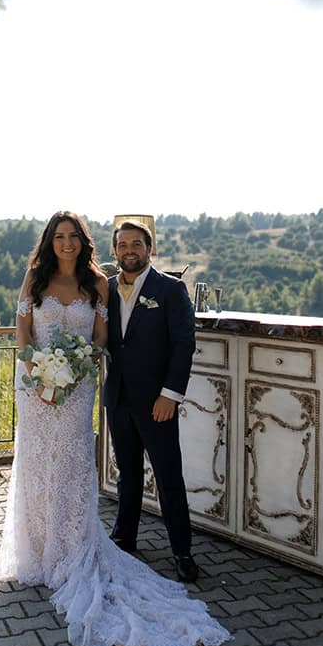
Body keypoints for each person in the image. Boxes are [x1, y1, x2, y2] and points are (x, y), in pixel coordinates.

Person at [0, 210, 231, 646]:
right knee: (48, 468)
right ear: (50, 241)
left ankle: (175, 553)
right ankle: (54, 549)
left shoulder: (112, 285)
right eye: (59, 236)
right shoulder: (41, 276)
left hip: (89, 389)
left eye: (135, 245)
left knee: (95, 468)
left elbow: (118, 340)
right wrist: (42, 372)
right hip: (47, 390)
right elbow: (23, 332)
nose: (66, 243)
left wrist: (77, 369)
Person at [103, 219, 198, 583]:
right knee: (127, 472)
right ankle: (124, 535)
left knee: (168, 475)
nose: (129, 251)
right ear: (115, 251)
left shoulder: (170, 289)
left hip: (158, 401)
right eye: (123, 245)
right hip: (119, 397)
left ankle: (182, 551)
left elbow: (183, 344)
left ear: (149, 249)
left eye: (136, 244)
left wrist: (170, 395)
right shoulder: (106, 289)